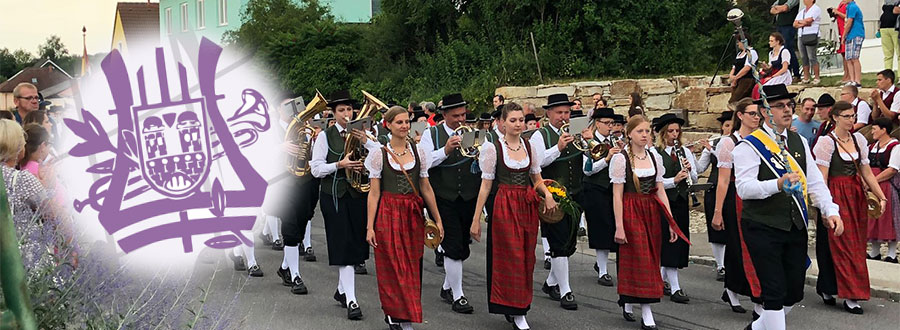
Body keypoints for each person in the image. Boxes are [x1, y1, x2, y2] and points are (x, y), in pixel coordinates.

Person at [734, 84, 842, 330]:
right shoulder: (748, 146)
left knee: (793, 293)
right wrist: (777, 184)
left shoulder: (799, 142)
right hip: (762, 225)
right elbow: (745, 189)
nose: (787, 110)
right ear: (764, 111)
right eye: (779, 106)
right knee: (773, 292)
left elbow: (815, 181)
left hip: (794, 225)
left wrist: (830, 210)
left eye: (789, 105)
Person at [470, 102, 556, 330]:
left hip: (526, 205)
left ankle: (519, 305)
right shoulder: (493, 148)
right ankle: (516, 310)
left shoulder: (529, 147)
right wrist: (476, 219)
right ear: (502, 123)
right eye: (513, 120)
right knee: (510, 258)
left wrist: (547, 195)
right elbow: (485, 186)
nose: (518, 124)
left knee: (526, 256)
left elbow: (536, 178)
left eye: (520, 120)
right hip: (505, 205)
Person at [363, 106, 444, 330]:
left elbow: (426, 187)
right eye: (399, 122)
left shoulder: (419, 152)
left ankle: (406, 312)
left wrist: (437, 218)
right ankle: (394, 313)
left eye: (407, 121)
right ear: (388, 125)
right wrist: (370, 227)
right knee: (391, 265)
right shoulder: (379, 154)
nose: (405, 126)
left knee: (411, 264)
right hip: (388, 213)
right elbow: (374, 192)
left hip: (413, 214)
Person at [610, 115, 689, 330]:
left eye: (647, 131)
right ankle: (646, 311)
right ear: (629, 134)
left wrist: (671, 221)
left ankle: (627, 299)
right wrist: (619, 225)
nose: (644, 135)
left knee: (651, 256)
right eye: (639, 131)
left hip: (651, 210)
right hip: (630, 209)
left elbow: (660, 189)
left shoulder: (654, 157)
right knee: (639, 257)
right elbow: (617, 194)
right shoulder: (621, 159)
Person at [813, 101, 886, 315]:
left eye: (853, 115)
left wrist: (881, 197)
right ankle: (848, 294)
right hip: (836, 194)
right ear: (835, 117)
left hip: (855, 196)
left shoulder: (859, 140)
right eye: (846, 116)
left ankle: (840, 289)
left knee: (855, 245)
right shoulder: (826, 143)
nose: (851, 119)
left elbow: (867, 172)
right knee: (839, 244)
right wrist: (825, 207)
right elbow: (822, 178)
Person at [310, 90, 370, 320]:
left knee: (355, 244)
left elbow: (376, 160)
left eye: (349, 109)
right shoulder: (325, 136)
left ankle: (342, 291)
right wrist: (339, 164)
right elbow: (316, 169)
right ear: (333, 114)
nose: (347, 114)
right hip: (333, 195)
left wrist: (367, 146)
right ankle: (352, 301)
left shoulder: (363, 133)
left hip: (357, 195)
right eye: (341, 110)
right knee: (343, 245)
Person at [419, 93, 479, 314]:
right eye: (456, 116)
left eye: (463, 115)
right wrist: (445, 150)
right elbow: (424, 163)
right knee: (452, 245)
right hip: (443, 196)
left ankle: (447, 287)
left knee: (462, 245)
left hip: (468, 195)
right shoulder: (430, 134)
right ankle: (458, 295)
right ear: (444, 115)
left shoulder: (471, 133)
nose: (461, 120)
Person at [530, 93, 583, 310]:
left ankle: (551, 283)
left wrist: (587, 141)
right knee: (559, 243)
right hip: (551, 195)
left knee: (569, 242)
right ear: (549, 113)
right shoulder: (539, 136)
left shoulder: (574, 132)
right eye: (559, 112)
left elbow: (587, 158)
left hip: (576, 192)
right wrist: (558, 148)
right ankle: (566, 291)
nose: (564, 117)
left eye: (567, 112)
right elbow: (536, 163)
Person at [711, 99, 763, 315]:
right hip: (736, 196)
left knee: (758, 246)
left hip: (757, 195)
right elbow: (723, 180)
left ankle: (749, 291)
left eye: (758, 113)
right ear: (740, 116)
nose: (756, 117)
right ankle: (735, 290)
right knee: (737, 246)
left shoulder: (763, 139)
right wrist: (717, 211)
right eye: (751, 113)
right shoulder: (728, 143)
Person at [271, 100, 319, 295]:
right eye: (287, 106)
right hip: (281, 185)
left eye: (294, 106)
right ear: (278, 109)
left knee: (301, 224)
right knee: (290, 227)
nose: (292, 110)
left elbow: (314, 156)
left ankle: (285, 267)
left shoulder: (305, 128)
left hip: (304, 182)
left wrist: (316, 140)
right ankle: (296, 275)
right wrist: (281, 148)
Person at [652, 113, 697, 304]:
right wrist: (675, 180)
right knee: (669, 242)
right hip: (663, 202)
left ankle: (662, 280)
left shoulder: (684, 151)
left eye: (677, 131)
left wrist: (688, 171)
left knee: (678, 243)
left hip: (680, 201)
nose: (674, 135)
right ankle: (675, 287)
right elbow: (657, 182)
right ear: (663, 133)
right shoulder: (655, 153)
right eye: (670, 131)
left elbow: (694, 178)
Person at [582, 108, 622, 287]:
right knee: (600, 228)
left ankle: (603, 265)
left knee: (613, 227)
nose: (610, 127)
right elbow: (587, 170)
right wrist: (607, 159)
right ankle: (603, 271)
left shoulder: (615, 141)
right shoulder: (588, 142)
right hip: (595, 188)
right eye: (607, 123)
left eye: (612, 124)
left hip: (613, 189)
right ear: (597, 123)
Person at [695, 111, 734, 282]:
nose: (729, 129)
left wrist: (712, 149)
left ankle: (732, 263)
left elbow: (733, 161)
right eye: (726, 126)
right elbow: (700, 168)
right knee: (716, 228)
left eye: (732, 125)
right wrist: (689, 156)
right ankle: (721, 265)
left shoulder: (740, 143)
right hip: (713, 188)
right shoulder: (714, 141)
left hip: (733, 189)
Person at [866, 117, 899, 263]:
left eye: (875, 128)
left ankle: (892, 253)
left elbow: (892, 169)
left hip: (887, 186)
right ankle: (874, 251)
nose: (872, 131)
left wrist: (874, 181)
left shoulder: (895, 146)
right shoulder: (872, 146)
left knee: (889, 218)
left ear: (884, 130)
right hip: (873, 187)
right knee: (873, 215)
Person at [771, 0, 802, 80]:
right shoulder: (780, 0)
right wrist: (779, 8)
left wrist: (778, 8)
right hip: (779, 26)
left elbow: (785, 7)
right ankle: (783, 72)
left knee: (788, 48)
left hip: (789, 26)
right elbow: (772, 10)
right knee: (780, 49)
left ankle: (796, 73)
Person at [794, 0, 822, 85]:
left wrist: (802, 22)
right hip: (801, 35)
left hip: (812, 35)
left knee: (811, 56)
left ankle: (817, 77)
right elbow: (795, 24)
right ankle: (806, 77)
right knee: (803, 57)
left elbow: (810, 20)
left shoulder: (816, 9)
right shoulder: (802, 11)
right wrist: (803, 23)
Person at [729, 32, 759, 104]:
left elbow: (747, 68)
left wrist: (736, 78)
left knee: (733, 101)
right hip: (738, 80)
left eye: (738, 42)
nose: (737, 44)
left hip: (747, 80)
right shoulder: (739, 54)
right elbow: (734, 68)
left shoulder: (752, 52)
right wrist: (732, 77)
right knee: (740, 102)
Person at [842, 0, 865, 87]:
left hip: (856, 34)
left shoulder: (853, 7)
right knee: (848, 58)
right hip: (850, 35)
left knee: (854, 57)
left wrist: (844, 35)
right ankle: (852, 80)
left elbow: (849, 22)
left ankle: (857, 81)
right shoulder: (848, 7)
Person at [881, 1, 900, 70]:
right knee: (888, 54)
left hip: (895, 27)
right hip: (885, 27)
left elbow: (895, 10)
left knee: (896, 54)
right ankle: (888, 75)